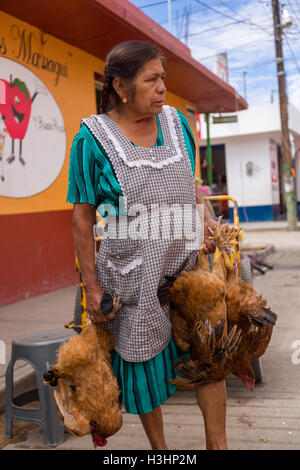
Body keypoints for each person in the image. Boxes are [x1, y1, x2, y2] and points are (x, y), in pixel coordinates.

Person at [67, 40, 228, 450]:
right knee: (143, 376)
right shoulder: (93, 139)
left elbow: (190, 185)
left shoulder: (176, 123)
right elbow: (83, 218)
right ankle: (162, 452)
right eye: (151, 80)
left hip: (189, 274)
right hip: (132, 282)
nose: (161, 88)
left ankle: (218, 446)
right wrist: (92, 288)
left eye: (163, 79)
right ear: (120, 87)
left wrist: (204, 216)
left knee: (211, 361)